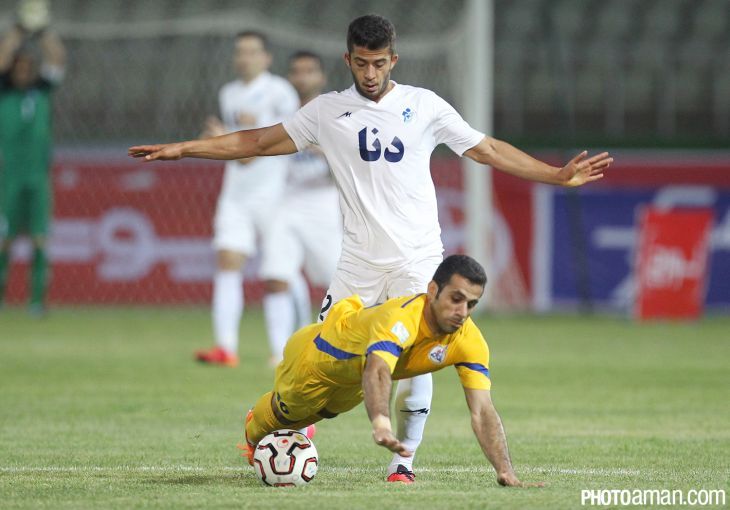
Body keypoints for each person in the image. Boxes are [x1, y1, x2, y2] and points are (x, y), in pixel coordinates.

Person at [129, 14, 611, 482]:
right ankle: (292, 421)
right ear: (348, 60)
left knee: (415, 359)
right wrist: (183, 149)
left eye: (379, 63)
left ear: (393, 60)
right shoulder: (326, 112)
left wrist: (554, 175)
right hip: (357, 265)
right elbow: (257, 141)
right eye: (361, 63)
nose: (371, 73)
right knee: (315, 358)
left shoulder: (424, 105)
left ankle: (403, 463)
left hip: (416, 260)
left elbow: (486, 149)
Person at [243, 255, 542, 487]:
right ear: (433, 290)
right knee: (278, 420)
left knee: (325, 412)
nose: (462, 312)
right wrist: (381, 423)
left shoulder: (470, 341)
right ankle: (255, 426)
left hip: (354, 383)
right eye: (456, 298)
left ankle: (305, 423)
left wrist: (505, 470)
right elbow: (378, 369)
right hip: (315, 360)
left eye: (471, 304)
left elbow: (483, 410)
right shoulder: (402, 318)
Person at [193, 31, 300, 367]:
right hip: (236, 194)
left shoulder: (281, 93)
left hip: (275, 194)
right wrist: (217, 141)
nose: (244, 58)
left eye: (252, 52)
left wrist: (225, 141)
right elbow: (236, 150)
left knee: (278, 274)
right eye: (239, 51)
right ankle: (225, 347)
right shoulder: (229, 93)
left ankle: (283, 350)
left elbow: (269, 146)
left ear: (267, 58)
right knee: (227, 261)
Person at [259, 51, 342, 367]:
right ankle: (280, 351)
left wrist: (322, 151)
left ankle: (335, 342)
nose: (302, 77)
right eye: (296, 71)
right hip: (285, 200)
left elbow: (350, 165)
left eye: (309, 71)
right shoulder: (280, 112)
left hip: (323, 201)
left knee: (336, 280)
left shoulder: (336, 114)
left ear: (321, 77)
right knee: (275, 275)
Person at [0, 0, 66, 314]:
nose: (24, 72)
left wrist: (41, 31)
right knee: (5, 239)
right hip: (9, 177)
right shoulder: (4, 92)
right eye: (20, 67)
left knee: (40, 239)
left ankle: (37, 302)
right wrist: (17, 30)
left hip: (38, 177)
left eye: (29, 68)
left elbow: (57, 58)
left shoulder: (42, 91)